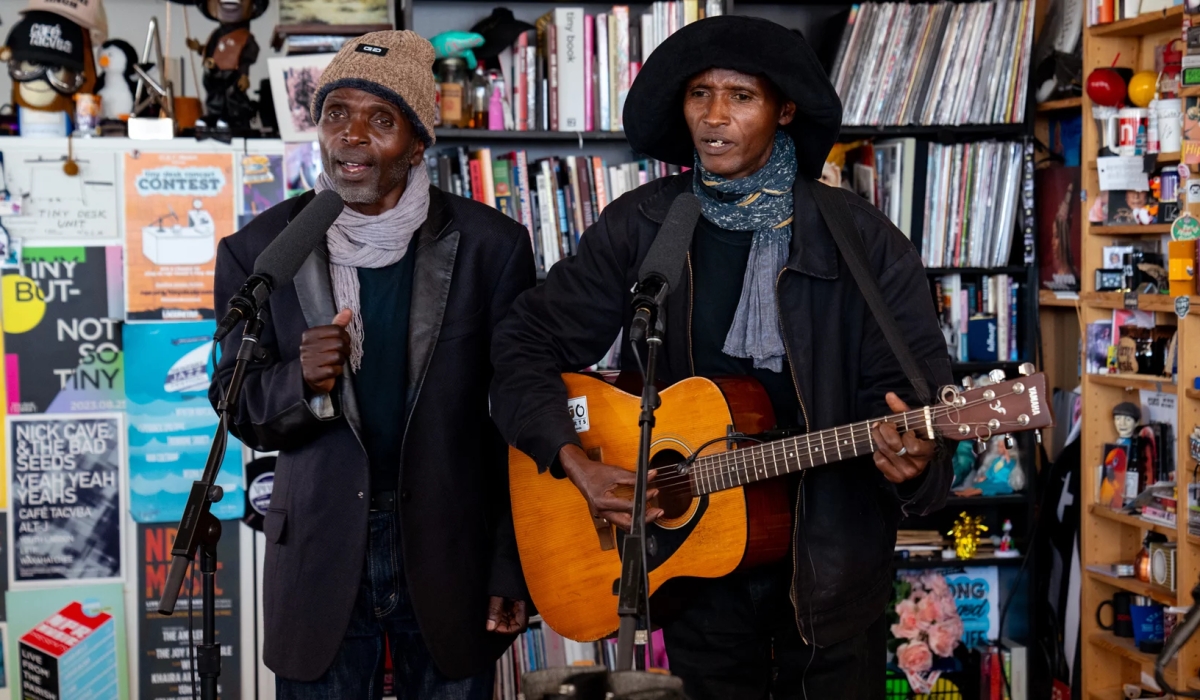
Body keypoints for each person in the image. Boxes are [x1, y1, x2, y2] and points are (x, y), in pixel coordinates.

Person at [490, 16, 953, 700]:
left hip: (830, 584)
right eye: (699, 94)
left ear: (784, 110)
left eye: (741, 96)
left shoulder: (862, 240)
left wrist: (913, 463)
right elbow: (522, 340)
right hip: (691, 576)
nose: (714, 117)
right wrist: (572, 457)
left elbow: (913, 400)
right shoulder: (644, 227)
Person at [211, 31, 535, 699]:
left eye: (379, 119)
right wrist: (297, 380)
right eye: (336, 114)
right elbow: (237, 407)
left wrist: (513, 563)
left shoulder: (489, 248)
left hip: (452, 551)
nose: (350, 136)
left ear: (418, 144)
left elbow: (516, 417)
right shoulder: (261, 251)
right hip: (321, 552)